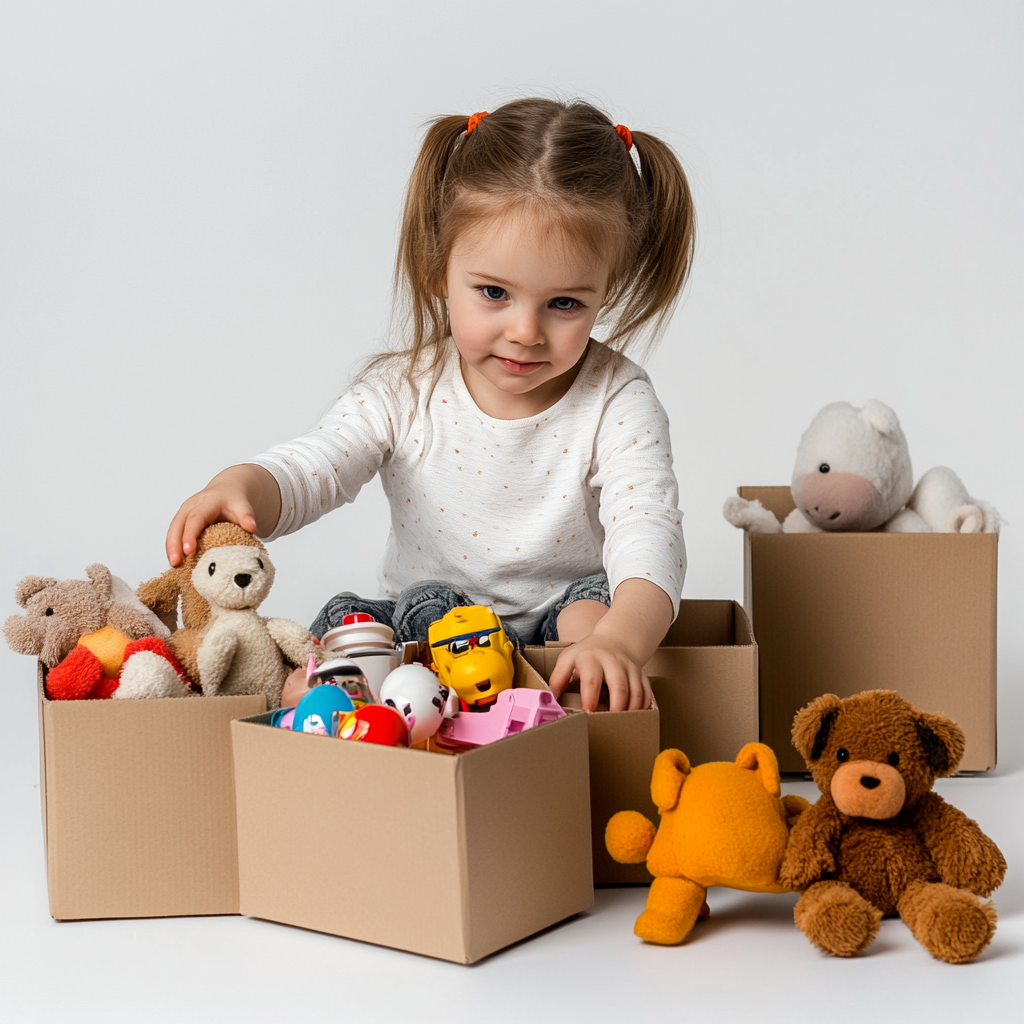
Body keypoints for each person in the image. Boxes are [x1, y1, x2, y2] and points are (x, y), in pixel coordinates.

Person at [165, 97, 695, 713]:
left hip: (561, 626)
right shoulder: (405, 389)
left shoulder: (616, 398)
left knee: (593, 619)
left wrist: (621, 641)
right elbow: (320, 464)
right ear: (439, 271)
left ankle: (582, 695)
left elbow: (648, 530)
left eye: (565, 304)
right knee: (345, 633)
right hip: (429, 627)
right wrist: (245, 485)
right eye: (494, 292)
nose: (526, 330)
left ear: (609, 288)